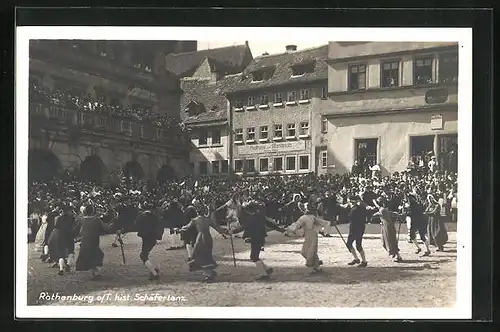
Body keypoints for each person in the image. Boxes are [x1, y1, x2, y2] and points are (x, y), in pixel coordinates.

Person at [180, 200, 228, 282]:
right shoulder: (208, 219)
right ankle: (210, 271)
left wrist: (178, 229)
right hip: (208, 238)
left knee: (199, 255)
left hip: (200, 238)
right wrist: (227, 231)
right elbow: (217, 228)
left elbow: (186, 228)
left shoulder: (194, 220)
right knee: (207, 255)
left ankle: (209, 274)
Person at [285, 198, 334, 274]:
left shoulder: (305, 217)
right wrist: (325, 229)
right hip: (312, 235)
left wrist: (289, 229)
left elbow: (297, 225)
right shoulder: (310, 217)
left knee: (307, 251)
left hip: (311, 235)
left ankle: (314, 266)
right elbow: (324, 223)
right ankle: (317, 265)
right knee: (311, 251)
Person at [230, 198, 273, 280]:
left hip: (255, 239)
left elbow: (243, 227)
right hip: (260, 238)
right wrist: (281, 229)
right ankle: (267, 269)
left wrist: (232, 231)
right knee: (255, 256)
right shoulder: (260, 216)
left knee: (254, 257)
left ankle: (264, 274)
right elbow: (270, 224)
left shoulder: (250, 218)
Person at [73, 204, 119, 280]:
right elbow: (107, 228)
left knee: (92, 256)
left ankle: (95, 273)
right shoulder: (96, 219)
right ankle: (96, 273)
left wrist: (75, 237)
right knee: (97, 255)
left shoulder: (82, 219)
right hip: (94, 240)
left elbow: (75, 230)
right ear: (93, 211)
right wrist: (114, 224)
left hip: (85, 241)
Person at [136, 202, 164, 280]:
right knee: (146, 254)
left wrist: (123, 230)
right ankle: (155, 269)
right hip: (153, 238)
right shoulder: (155, 216)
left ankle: (154, 274)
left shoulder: (141, 216)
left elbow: (136, 225)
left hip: (146, 238)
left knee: (143, 256)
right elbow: (160, 226)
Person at [47, 204, 77, 275]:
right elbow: (74, 226)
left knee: (61, 253)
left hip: (61, 236)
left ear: (62, 211)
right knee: (70, 251)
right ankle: (68, 265)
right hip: (69, 235)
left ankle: (61, 269)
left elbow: (56, 227)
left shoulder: (59, 218)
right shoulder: (72, 218)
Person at [344, 195, 372, 267]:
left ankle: (361, 260)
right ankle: (360, 260)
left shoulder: (354, 209)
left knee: (350, 244)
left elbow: (349, 216)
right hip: (360, 227)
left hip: (355, 228)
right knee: (357, 244)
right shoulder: (360, 207)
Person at [373, 197, 403, 262]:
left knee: (390, 241)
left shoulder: (383, 210)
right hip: (386, 226)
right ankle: (395, 255)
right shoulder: (384, 209)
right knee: (386, 241)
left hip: (388, 227)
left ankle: (396, 255)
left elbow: (377, 212)